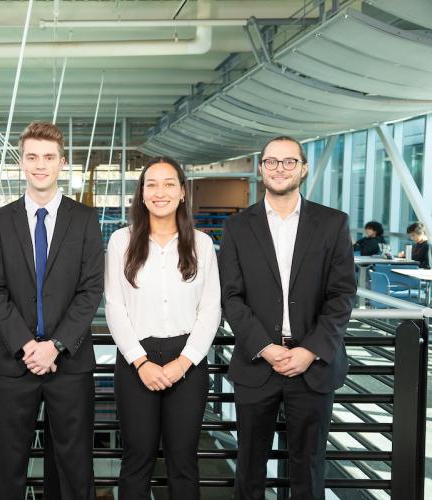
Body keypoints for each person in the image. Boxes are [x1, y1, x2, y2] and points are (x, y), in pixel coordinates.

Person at [218, 136, 356, 500]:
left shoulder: (332, 224)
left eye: (289, 161)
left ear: (303, 168)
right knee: (249, 468)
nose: (280, 168)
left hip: (313, 367)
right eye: (272, 162)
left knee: (309, 468)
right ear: (261, 168)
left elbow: (341, 296)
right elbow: (231, 297)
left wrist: (310, 350)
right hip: (256, 364)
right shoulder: (237, 227)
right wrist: (264, 346)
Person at [0, 121, 104, 499]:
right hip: (12, 363)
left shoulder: (84, 220)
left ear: (61, 163)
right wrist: (26, 345)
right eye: (32, 157)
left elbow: (90, 291)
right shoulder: (0, 221)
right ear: (22, 163)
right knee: (7, 467)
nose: (40, 165)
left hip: (69, 364)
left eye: (48, 157)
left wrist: (56, 345)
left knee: (73, 469)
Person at [105, 157, 221, 499]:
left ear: (182, 193)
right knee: (137, 458)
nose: (160, 192)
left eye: (169, 183)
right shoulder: (119, 242)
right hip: (136, 360)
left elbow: (211, 309)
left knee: (184, 460)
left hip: (187, 359)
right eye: (151, 184)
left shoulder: (201, 244)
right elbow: (114, 307)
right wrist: (140, 362)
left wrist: (183, 362)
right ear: (141, 194)